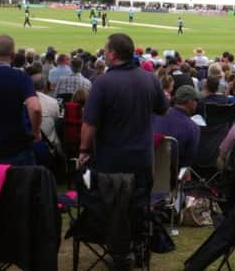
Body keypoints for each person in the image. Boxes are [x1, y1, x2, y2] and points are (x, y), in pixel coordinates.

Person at [78, 33, 169, 268]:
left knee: (114, 208)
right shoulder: (150, 79)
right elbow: (163, 109)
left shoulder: (103, 82)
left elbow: (89, 124)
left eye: (106, 50)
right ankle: (136, 246)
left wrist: (84, 150)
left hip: (111, 160)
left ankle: (120, 251)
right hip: (141, 158)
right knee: (137, 206)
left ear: (113, 54)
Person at [0, 35, 42, 165]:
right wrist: (36, 132)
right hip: (13, 147)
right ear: (12, 55)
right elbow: (35, 108)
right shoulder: (20, 76)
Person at [152, 85, 201, 167]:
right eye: (196, 100)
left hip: (146, 169)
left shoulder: (156, 115)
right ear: (190, 102)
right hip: (173, 174)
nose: (197, 104)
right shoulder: (193, 128)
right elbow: (188, 161)